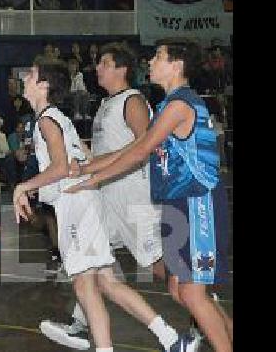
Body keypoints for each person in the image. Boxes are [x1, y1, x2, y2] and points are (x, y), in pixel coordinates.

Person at [66, 39, 233, 352]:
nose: (151, 61)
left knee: (193, 294)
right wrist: (86, 168)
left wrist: (95, 179)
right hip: (175, 203)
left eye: (159, 56)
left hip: (197, 204)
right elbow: (132, 148)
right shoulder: (165, 105)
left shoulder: (180, 104)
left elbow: (141, 151)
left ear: (176, 66)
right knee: (178, 288)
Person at [12, 58, 185, 352]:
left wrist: (24, 186)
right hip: (83, 201)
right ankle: (170, 337)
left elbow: (62, 168)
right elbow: (82, 157)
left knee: (85, 284)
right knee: (104, 282)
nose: (25, 77)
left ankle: (120, 343)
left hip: (76, 204)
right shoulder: (55, 117)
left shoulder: (46, 121)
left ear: (44, 85)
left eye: (31, 74)